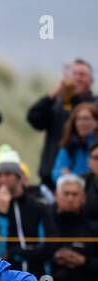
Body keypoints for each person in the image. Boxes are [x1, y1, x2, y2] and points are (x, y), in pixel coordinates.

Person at [26, 58, 95, 189]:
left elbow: (79, 114)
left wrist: (71, 97)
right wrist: (56, 92)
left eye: (83, 75)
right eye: (74, 74)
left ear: (91, 81)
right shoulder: (58, 104)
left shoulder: (94, 105)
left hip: (83, 183)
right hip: (50, 178)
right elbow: (33, 118)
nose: (78, 78)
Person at [0, 146, 51, 274]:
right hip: (7, 278)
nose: (3, 179)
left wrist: (20, 253)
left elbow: (49, 246)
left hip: (39, 276)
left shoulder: (39, 207)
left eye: (8, 174)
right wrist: (2, 215)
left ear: (19, 176)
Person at [47, 175, 98, 281]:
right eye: (66, 193)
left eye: (75, 194)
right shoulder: (45, 222)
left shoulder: (93, 228)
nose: (70, 198)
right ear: (56, 195)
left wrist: (83, 261)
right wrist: (53, 256)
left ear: (83, 197)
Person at [50, 102, 97, 180]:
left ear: (96, 122)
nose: (82, 123)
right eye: (78, 119)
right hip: (75, 188)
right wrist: (64, 176)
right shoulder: (69, 146)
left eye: (86, 119)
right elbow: (57, 172)